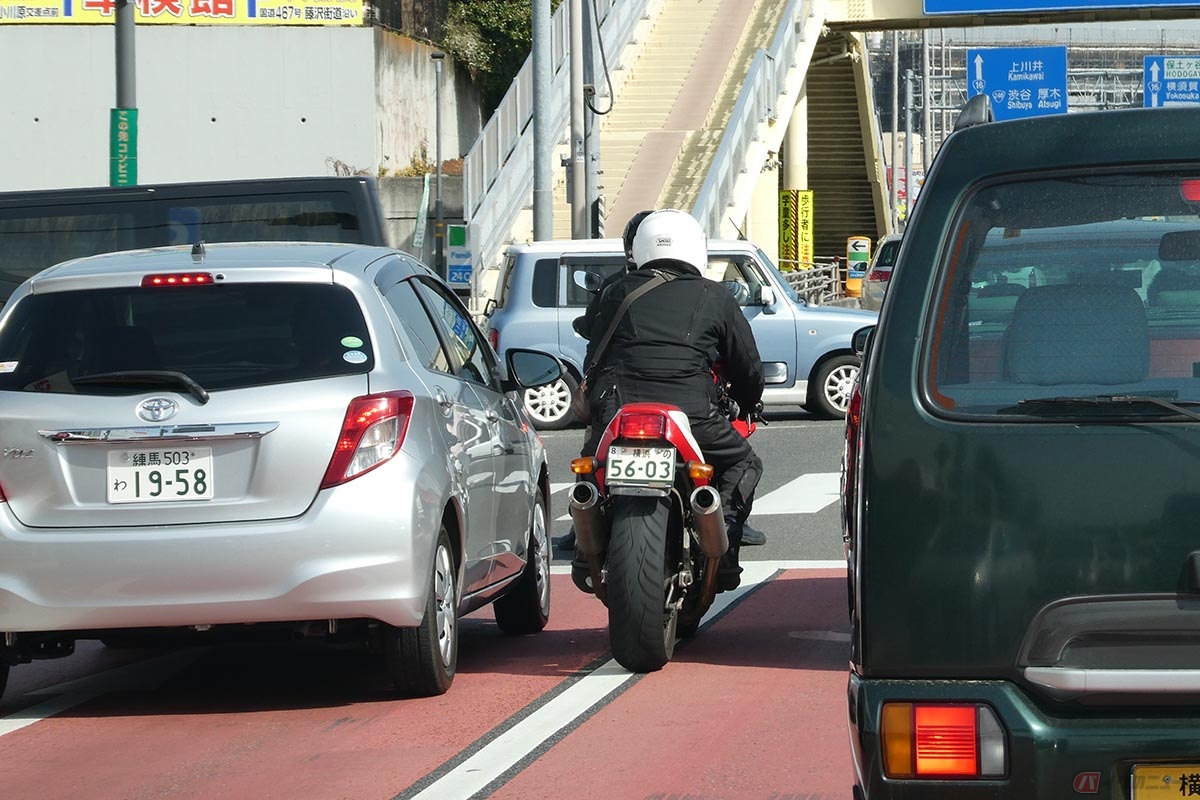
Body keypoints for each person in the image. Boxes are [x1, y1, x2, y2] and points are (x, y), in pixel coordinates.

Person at [572, 208, 765, 590]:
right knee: (744, 462)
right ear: (697, 249)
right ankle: (723, 539)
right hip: (691, 412)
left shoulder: (614, 290)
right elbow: (746, 364)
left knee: (591, 469)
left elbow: (592, 341)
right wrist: (748, 398)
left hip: (616, 408)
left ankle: (584, 543)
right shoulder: (715, 295)